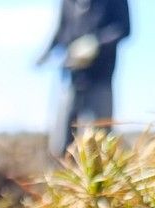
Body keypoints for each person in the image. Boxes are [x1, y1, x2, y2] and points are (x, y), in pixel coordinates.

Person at [38, 0, 130, 152]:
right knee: (62, 141)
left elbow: (123, 28)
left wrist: (96, 43)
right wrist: (46, 53)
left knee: (101, 140)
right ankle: (64, 164)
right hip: (71, 77)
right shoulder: (68, 2)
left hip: (100, 78)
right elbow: (61, 30)